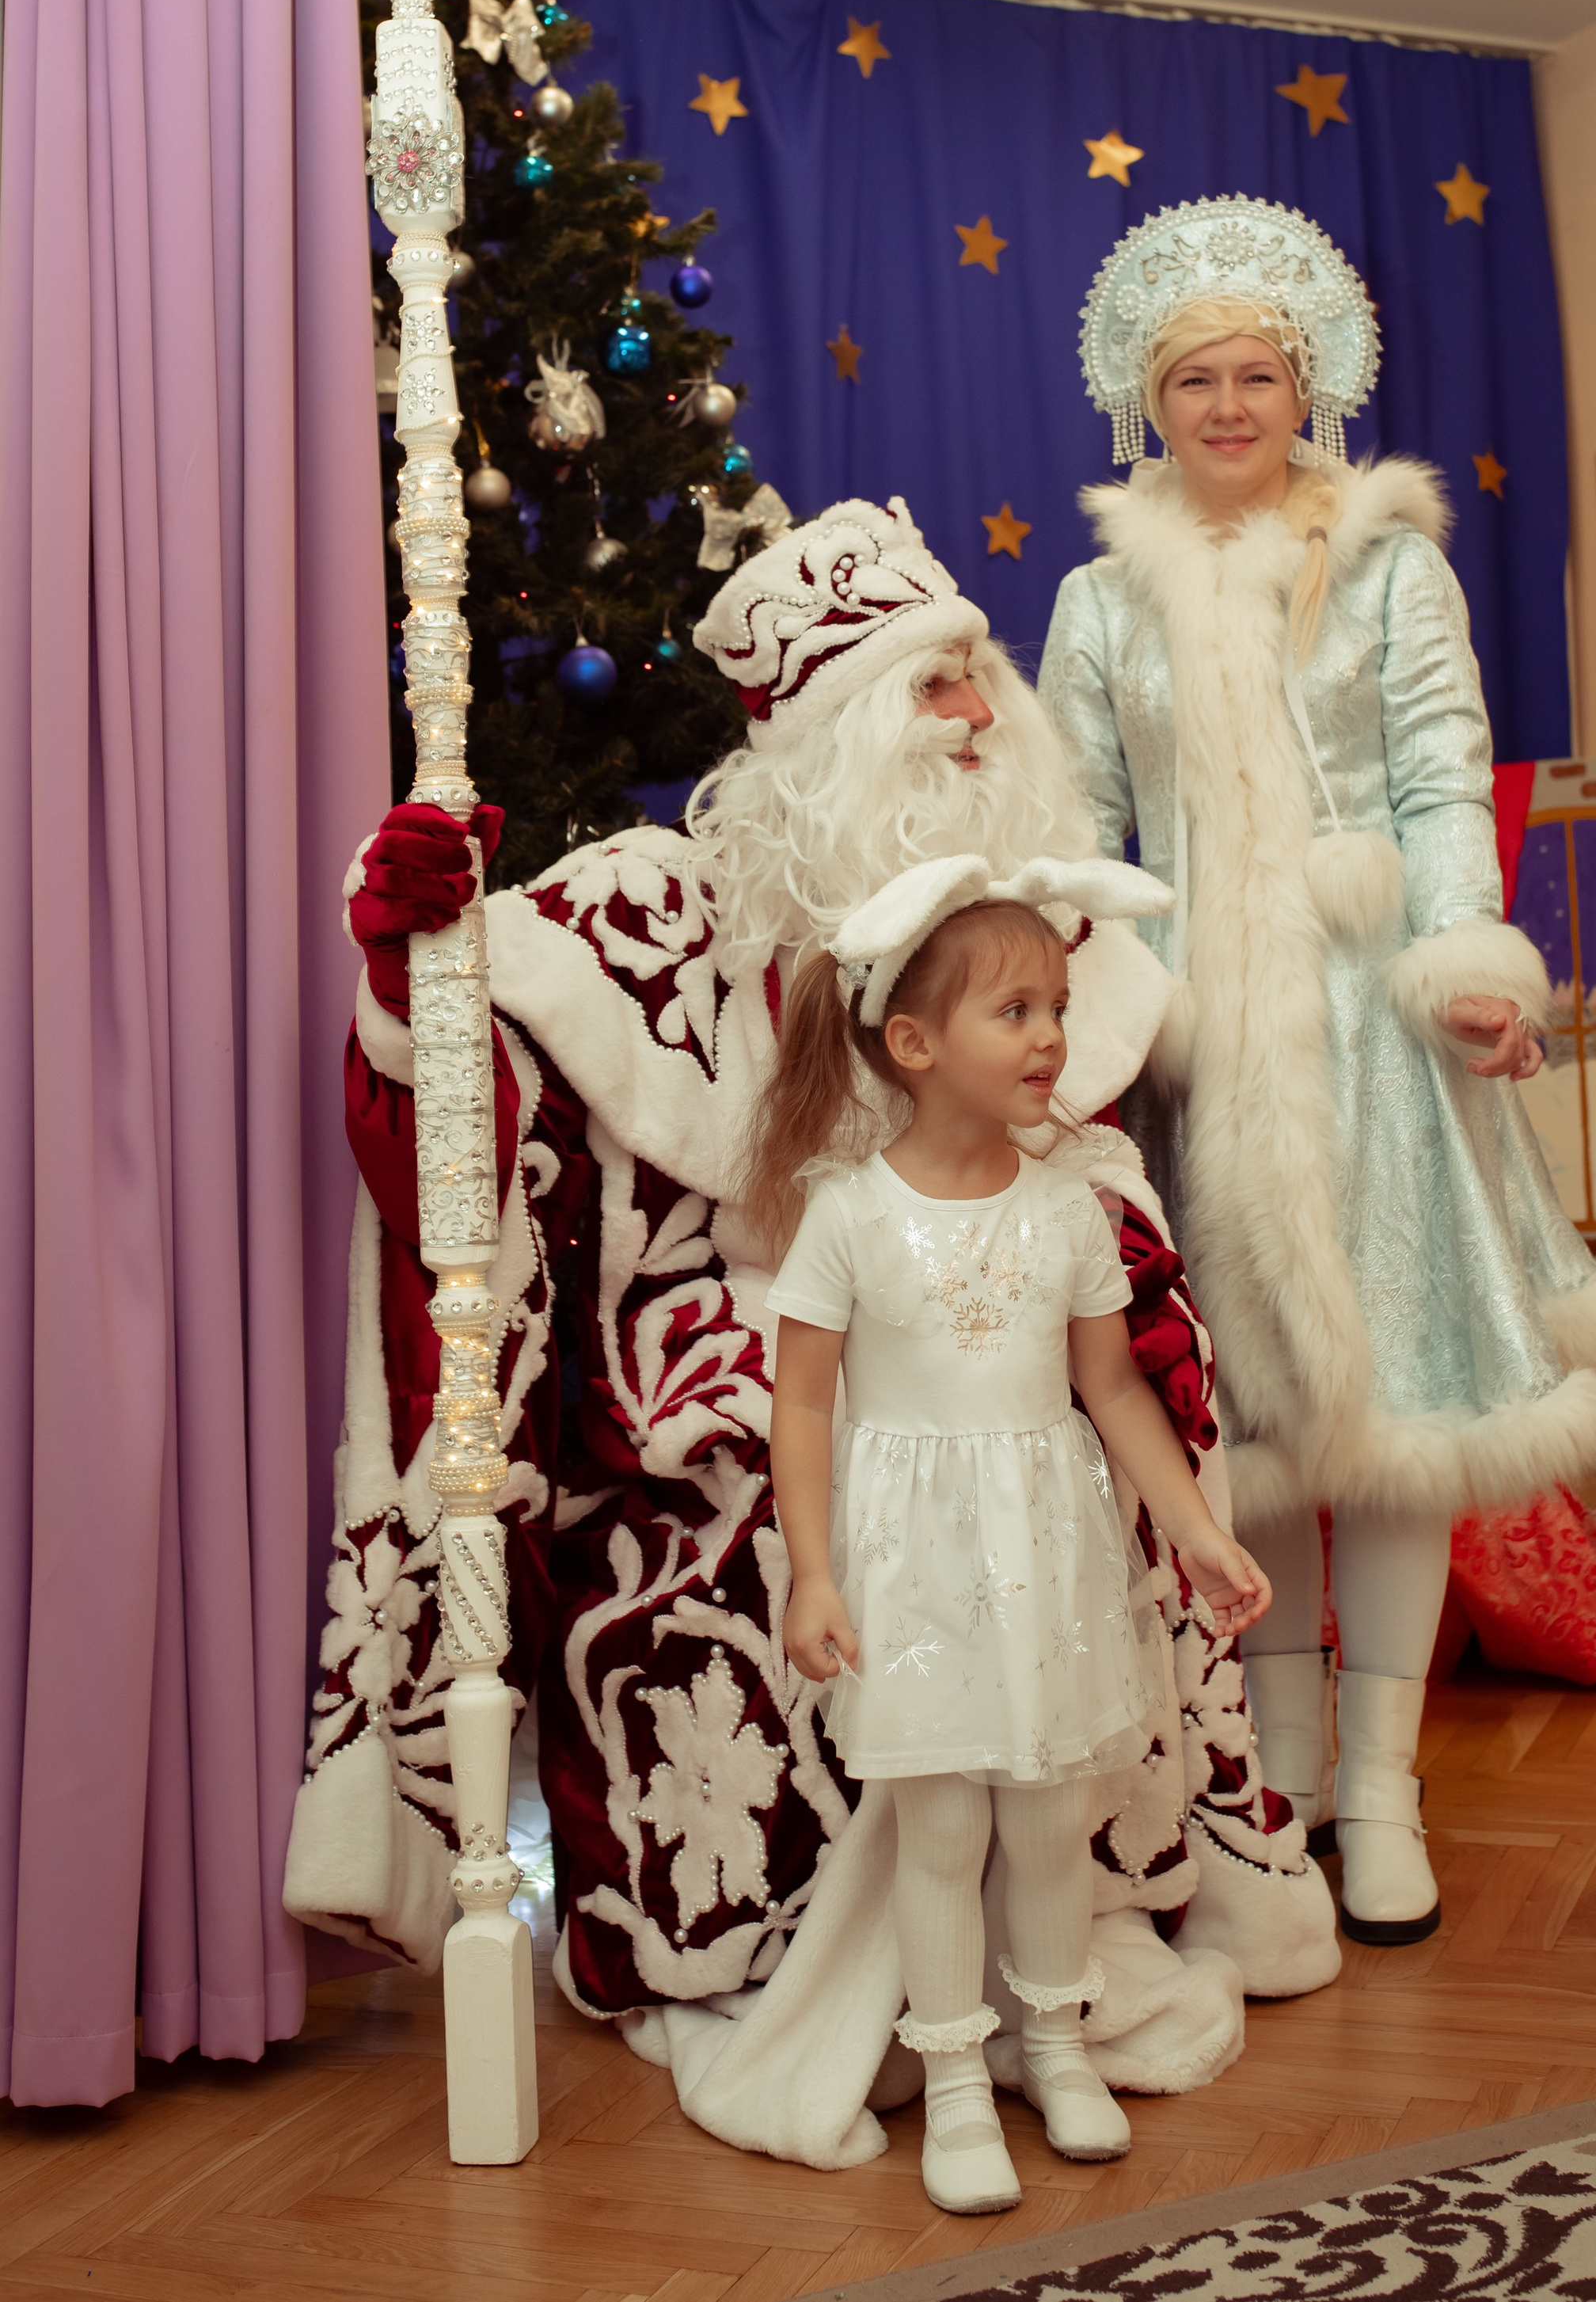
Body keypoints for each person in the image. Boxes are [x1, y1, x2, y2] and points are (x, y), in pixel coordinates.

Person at [284, 496, 1335, 2168]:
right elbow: (479, 1130)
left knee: (1068, 1660)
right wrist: (418, 971)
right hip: (768, 1342)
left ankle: (1055, 1994)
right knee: (755, 1534)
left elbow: (1085, 1199)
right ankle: (829, 1980)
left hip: (1002, 1372)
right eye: (936, 688)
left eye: (981, 675)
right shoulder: (658, 908)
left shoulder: (1030, 940)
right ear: (835, 731)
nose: (982, 716)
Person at [1039, 198, 1596, 1944]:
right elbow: (1082, 833)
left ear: (1301, 383)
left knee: (1385, 1427)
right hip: (1188, 1054)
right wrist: (1090, 1021)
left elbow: (1443, 780)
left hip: (1371, 1042)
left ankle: (1379, 1788)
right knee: (1246, 1430)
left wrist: (1463, 959)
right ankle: (1278, 1772)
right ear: (1145, 398)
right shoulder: (1097, 601)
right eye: (1194, 380)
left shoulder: (1387, 561)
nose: (1228, 407)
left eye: (1255, 375)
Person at [754, 859, 1271, 2210]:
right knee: (938, 1830)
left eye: (1058, 1003)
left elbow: (1110, 1388)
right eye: (1015, 1010)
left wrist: (1200, 1532)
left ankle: (1057, 2041)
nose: (1051, 1035)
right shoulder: (849, 1210)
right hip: (913, 1570)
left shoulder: (1069, 1205)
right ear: (915, 1045)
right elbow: (802, 1401)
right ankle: (957, 2080)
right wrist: (812, 1569)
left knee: (1048, 1826)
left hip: (1050, 1557)